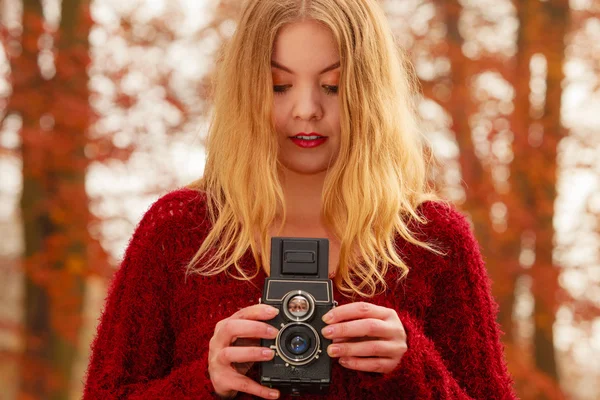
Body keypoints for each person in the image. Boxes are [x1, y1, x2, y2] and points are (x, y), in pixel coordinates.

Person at [82, 0, 518, 399]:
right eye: (278, 86)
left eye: (332, 86)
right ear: (246, 92)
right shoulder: (179, 230)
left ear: (369, 93)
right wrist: (205, 381)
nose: (306, 108)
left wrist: (414, 366)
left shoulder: (433, 239)